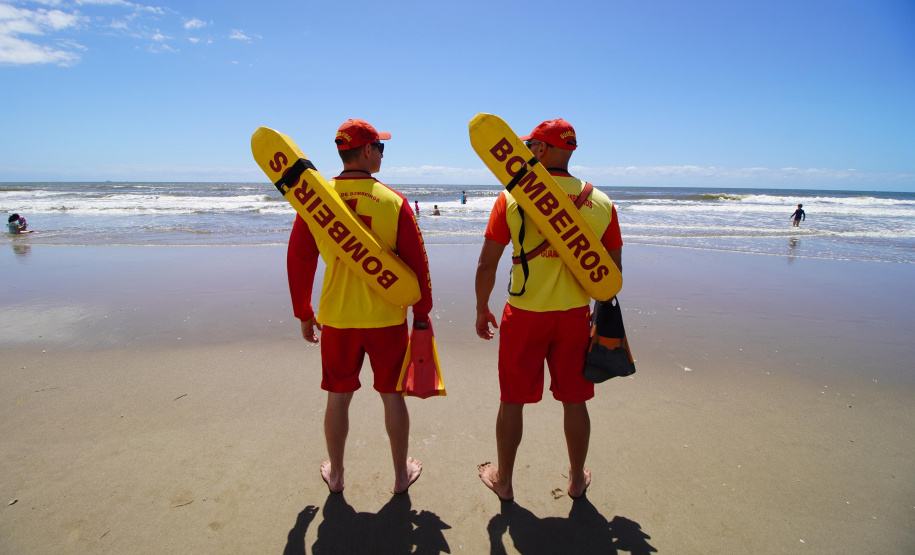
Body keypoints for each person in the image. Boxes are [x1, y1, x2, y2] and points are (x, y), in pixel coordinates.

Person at [474, 118, 623, 501]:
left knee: (512, 400)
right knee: (575, 400)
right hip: (574, 316)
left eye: (530, 146)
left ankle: (504, 481)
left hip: (524, 314)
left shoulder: (511, 197)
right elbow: (612, 272)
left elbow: (487, 263)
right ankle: (576, 480)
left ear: (541, 150)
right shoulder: (601, 201)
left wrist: (481, 307)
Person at [287, 119, 433, 494]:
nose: (383, 153)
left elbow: (300, 259)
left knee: (338, 398)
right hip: (386, 319)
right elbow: (418, 264)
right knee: (392, 396)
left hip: (337, 318)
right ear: (366, 151)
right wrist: (422, 314)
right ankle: (400, 477)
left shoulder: (316, 200)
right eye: (380, 147)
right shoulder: (392, 201)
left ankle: (336, 476)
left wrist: (303, 311)